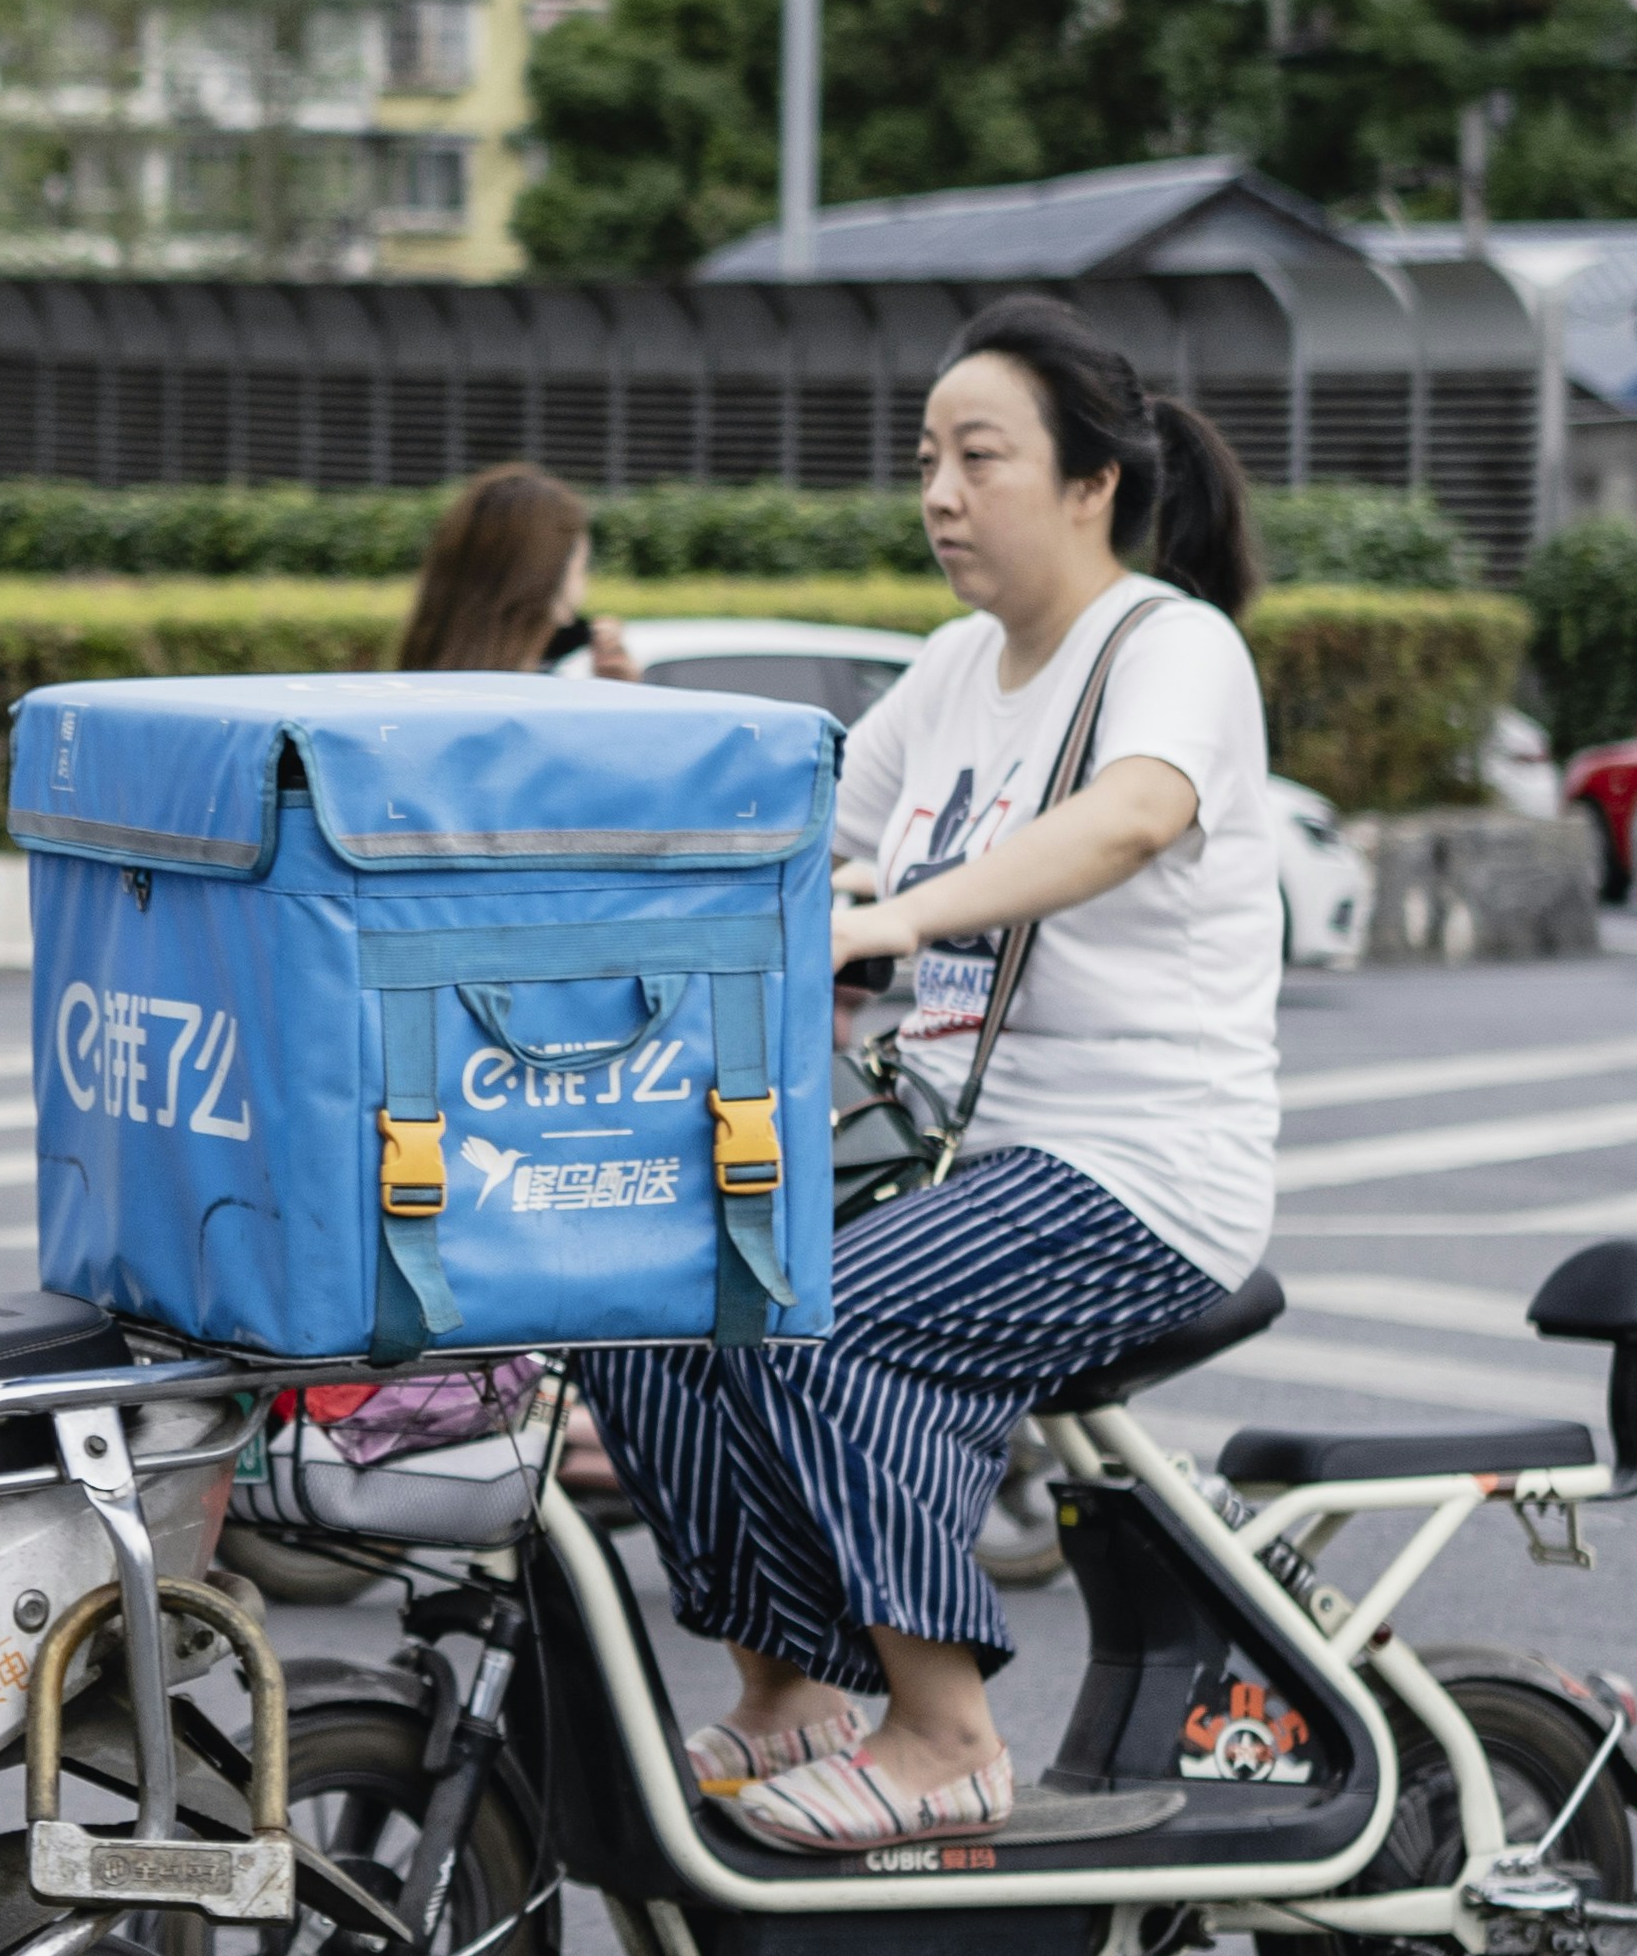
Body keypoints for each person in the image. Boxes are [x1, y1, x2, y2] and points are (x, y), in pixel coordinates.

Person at [577, 290, 1283, 1854]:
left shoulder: (1169, 649)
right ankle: (792, 1695)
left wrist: (896, 913)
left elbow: (1131, 819)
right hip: (964, 1158)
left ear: (1093, 483)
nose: (940, 496)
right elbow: (789, 838)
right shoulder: (957, 670)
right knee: (650, 1300)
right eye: (925, 461)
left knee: (831, 1332)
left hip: (1139, 1170)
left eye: (980, 458)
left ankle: (946, 1736)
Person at [392, 463, 642, 678]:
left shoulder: (417, 691)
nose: (584, 587)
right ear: (550, 580)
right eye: (581, 568)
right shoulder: (534, 708)